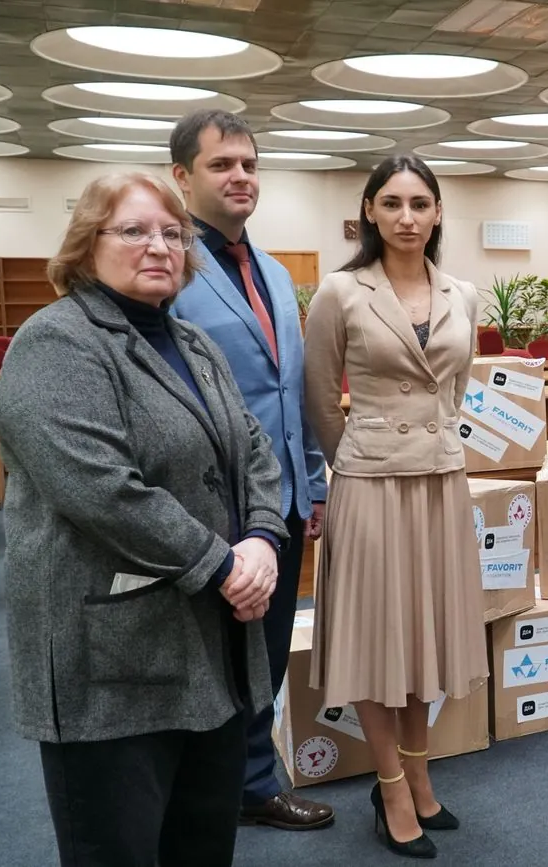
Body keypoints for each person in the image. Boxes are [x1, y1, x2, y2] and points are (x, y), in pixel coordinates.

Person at [0, 172, 288, 866]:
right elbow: (102, 490)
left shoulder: (193, 343)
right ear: (85, 244)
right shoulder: (55, 343)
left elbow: (254, 450)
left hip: (208, 649)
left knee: (202, 844)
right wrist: (225, 565)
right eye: (133, 230)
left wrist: (263, 538)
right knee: (116, 851)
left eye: (172, 233)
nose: (159, 246)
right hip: (110, 661)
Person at [303, 154, 487, 859]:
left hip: (439, 482)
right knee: (377, 642)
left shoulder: (463, 294)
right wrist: (359, 456)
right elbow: (321, 398)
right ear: (369, 212)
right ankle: (390, 789)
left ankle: (419, 773)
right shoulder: (341, 292)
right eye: (392, 204)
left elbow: (454, 392)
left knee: (421, 639)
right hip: (371, 484)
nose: (406, 217)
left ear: (438, 213)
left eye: (419, 204)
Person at [168, 109, 334, 831]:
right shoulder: (169, 267)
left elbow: (294, 389)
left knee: (266, 651)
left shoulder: (274, 271)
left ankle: (254, 782)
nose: (240, 177)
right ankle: (202, 789)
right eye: (221, 165)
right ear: (182, 177)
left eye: (249, 164)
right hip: (207, 503)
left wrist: (313, 481)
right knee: (206, 656)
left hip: (284, 499)